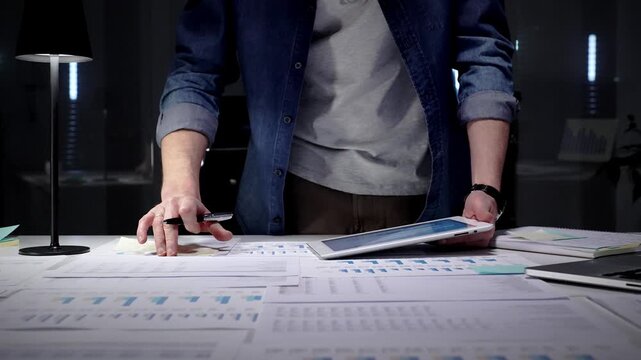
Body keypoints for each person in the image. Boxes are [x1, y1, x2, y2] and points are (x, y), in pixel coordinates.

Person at [137, 0, 518, 256]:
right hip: (293, 197)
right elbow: (197, 70)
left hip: (427, 199)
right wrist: (179, 188)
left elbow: (483, 53)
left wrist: (484, 188)